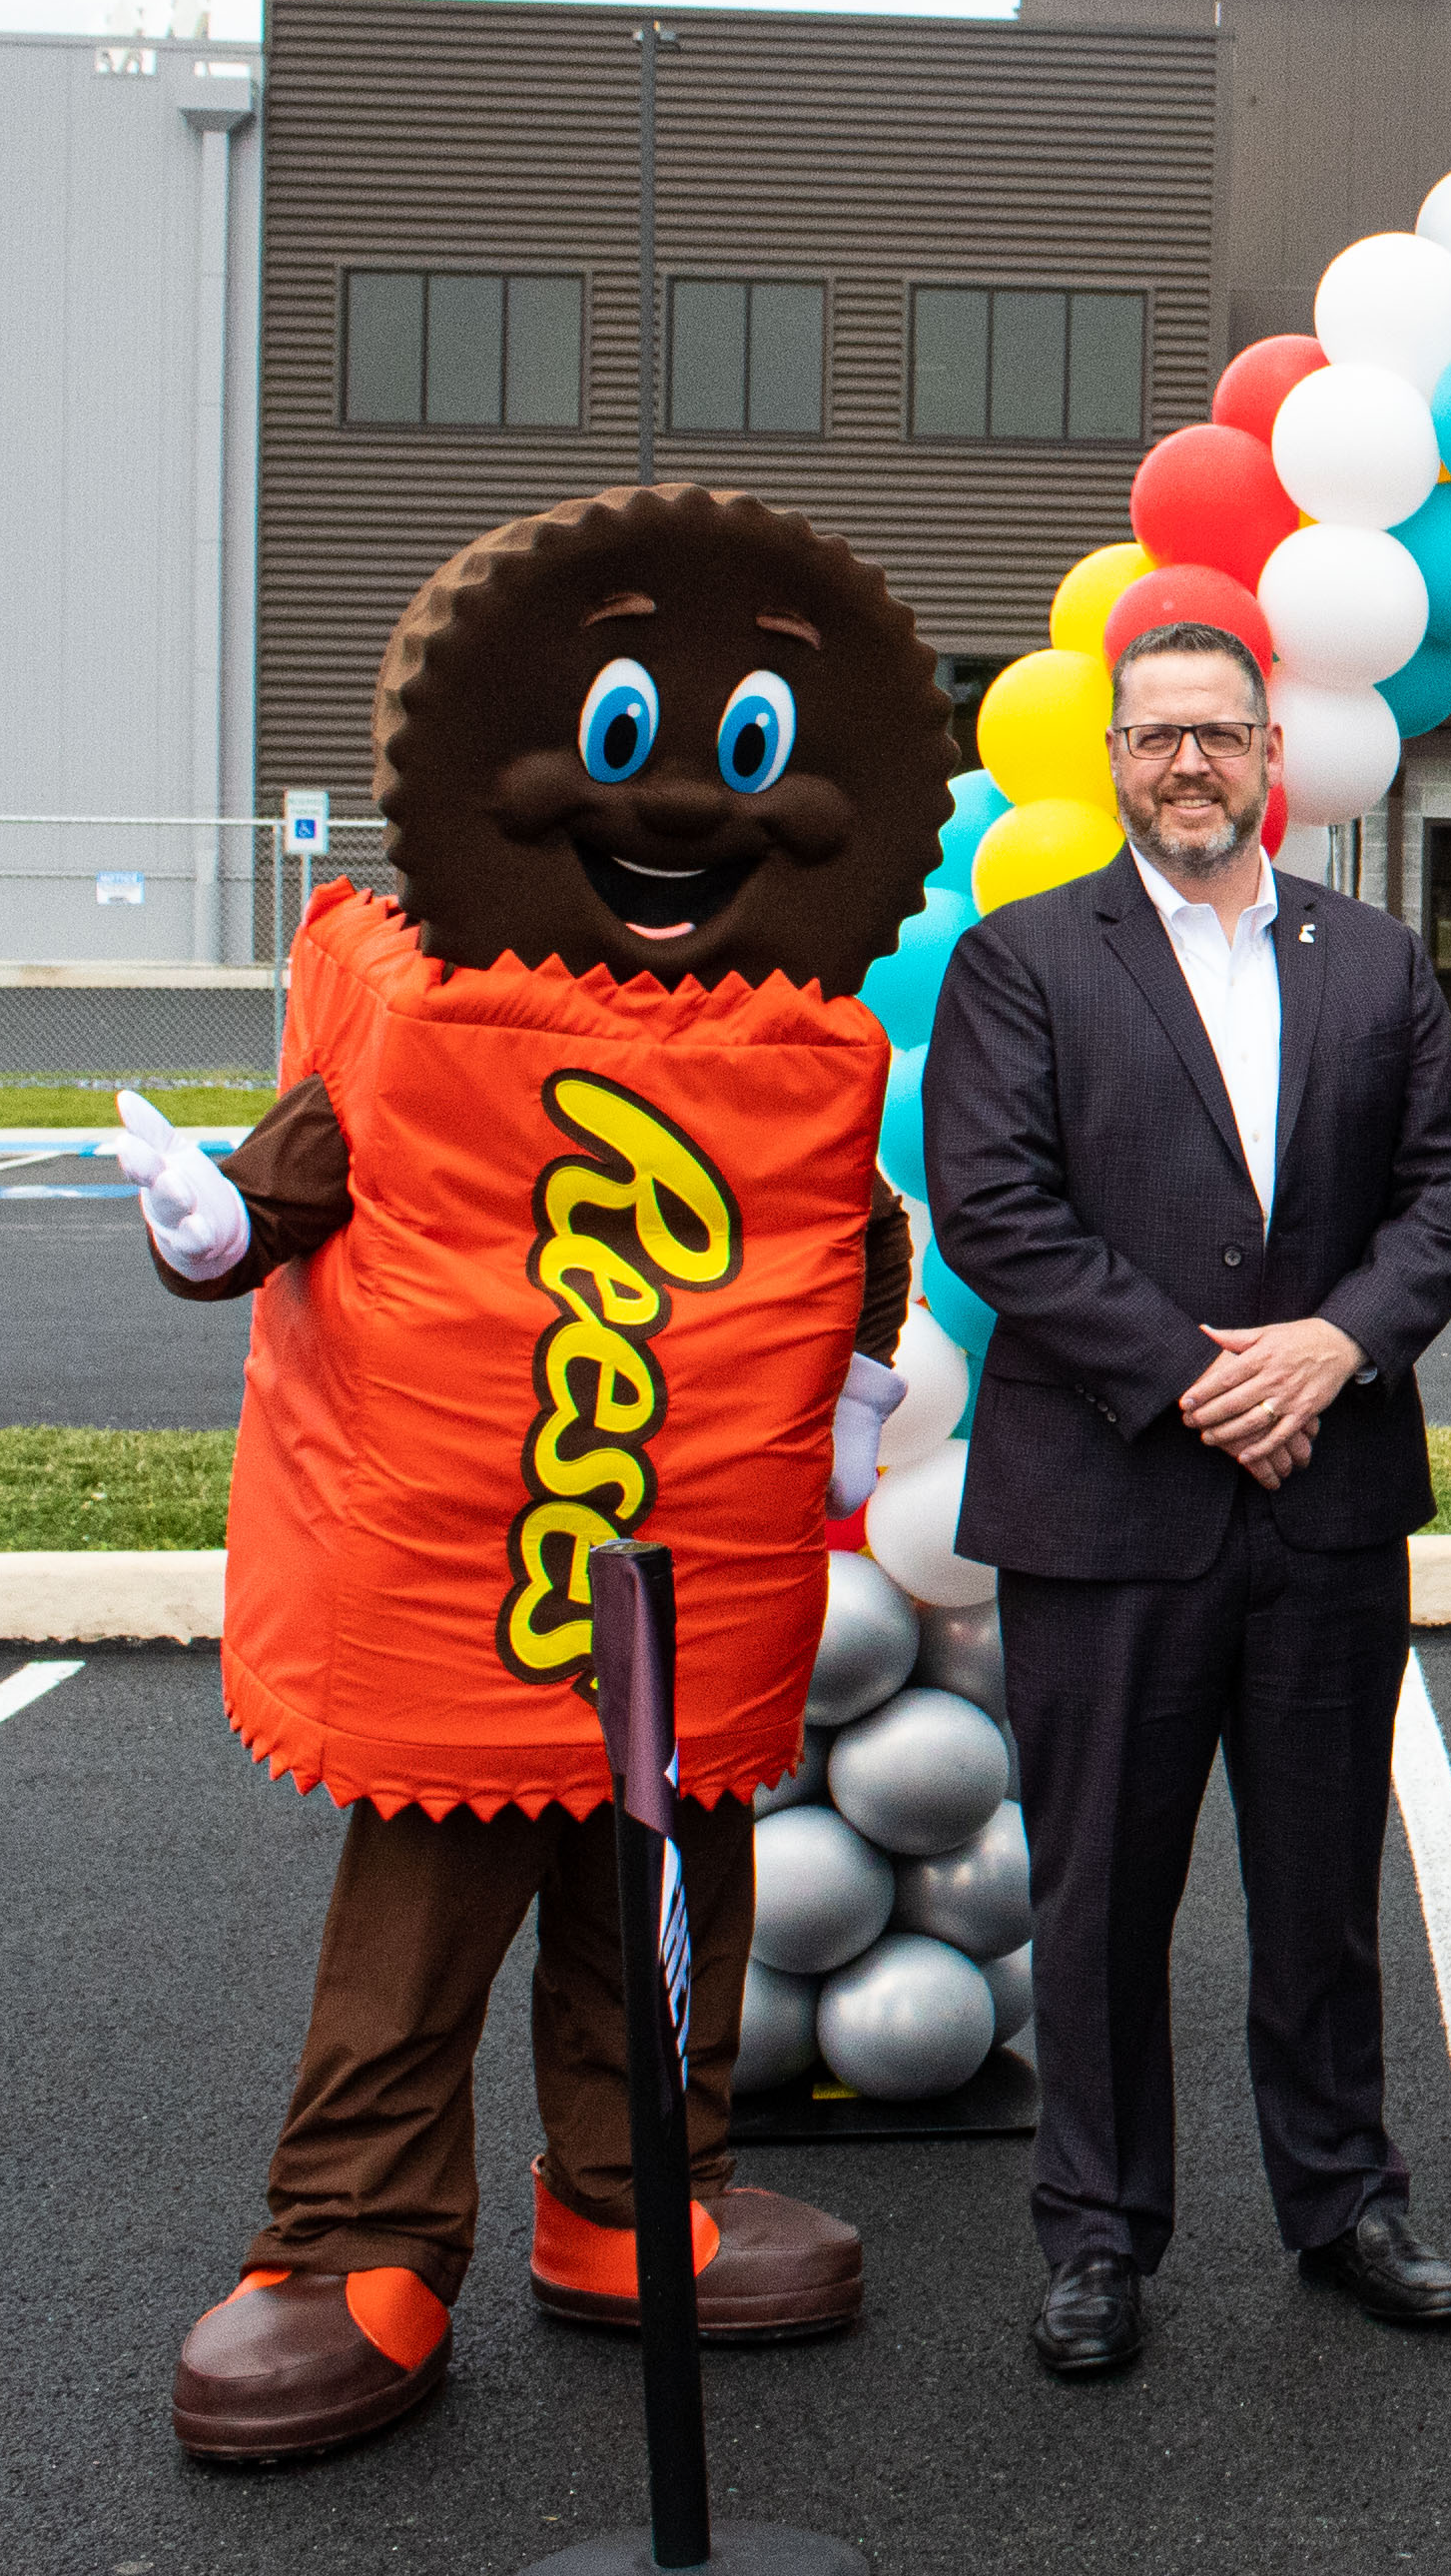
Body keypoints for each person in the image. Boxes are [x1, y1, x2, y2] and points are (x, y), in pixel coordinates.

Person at [132, 486, 939, 2463]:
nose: (678, 813)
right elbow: (294, 1185)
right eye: (624, 754)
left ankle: (631, 2192)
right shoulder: (420, 1009)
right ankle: (352, 2238)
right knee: (426, 1898)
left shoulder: (791, 1051)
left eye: (746, 760)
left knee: (668, 1902)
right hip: (465, 1594)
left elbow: (860, 1242)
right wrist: (215, 1224)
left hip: (698, 1590)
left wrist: (846, 1389)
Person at [923, 618, 1451, 2375]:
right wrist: (1199, 1376)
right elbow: (996, 1210)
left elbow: (1445, 1192)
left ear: (1270, 756)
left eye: (1221, 735)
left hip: (1325, 1502)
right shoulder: (1025, 960)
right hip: (1109, 1511)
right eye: (1158, 735)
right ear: (1114, 757)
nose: (1192, 765)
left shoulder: (1373, 958)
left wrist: (1331, 1350)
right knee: (1101, 1895)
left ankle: (1344, 2200)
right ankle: (1098, 2238)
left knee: (1321, 1884)